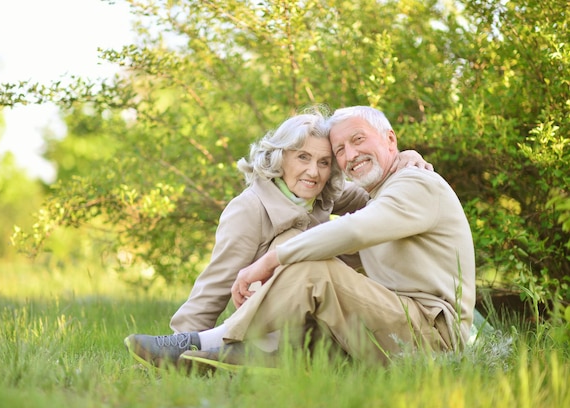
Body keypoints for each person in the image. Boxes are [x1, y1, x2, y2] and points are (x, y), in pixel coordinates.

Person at [124, 107, 436, 368]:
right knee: (291, 244)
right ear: (281, 157)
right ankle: (254, 352)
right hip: (270, 325)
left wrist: (403, 158)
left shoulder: (326, 193)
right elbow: (214, 285)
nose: (313, 172)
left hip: (321, 319)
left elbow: (379, 202)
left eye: (324, 162)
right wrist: (179, 346)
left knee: (346, 245)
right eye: (303, 157)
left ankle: (339, 351)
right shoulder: (249, 209)